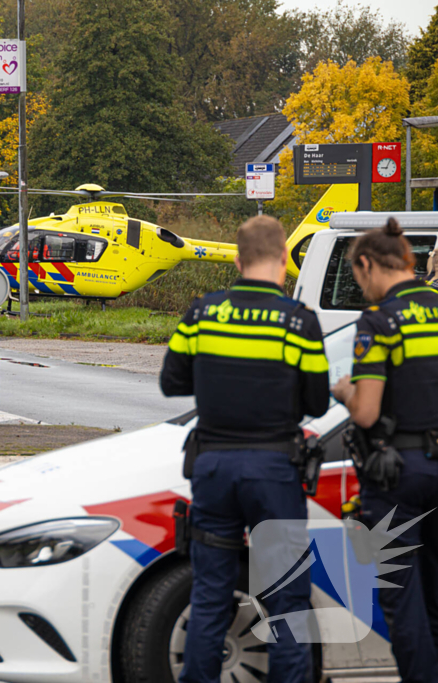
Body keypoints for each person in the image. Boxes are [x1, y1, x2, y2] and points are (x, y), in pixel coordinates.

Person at [160, 216, 330, 683]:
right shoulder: (300, 321)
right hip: (274, 469)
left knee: (211, 596)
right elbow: (317, 402)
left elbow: (171, 382)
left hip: (213, 465)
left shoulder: (201, 312)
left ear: (236, 260)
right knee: (287, 600)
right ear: (282, 261)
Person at [331, 218, 438, 683]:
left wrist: (344, 391)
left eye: (358, 277)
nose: (362, 287)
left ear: (368, 264)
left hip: (398, 476)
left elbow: (368, 414)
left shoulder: (379, 321)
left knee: (401, 596)